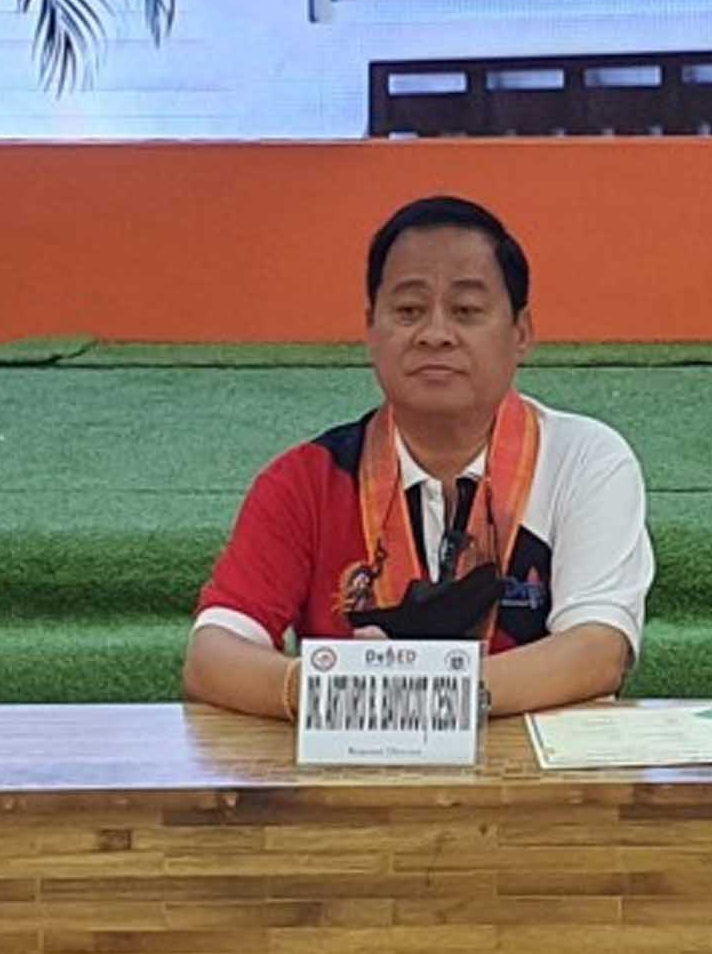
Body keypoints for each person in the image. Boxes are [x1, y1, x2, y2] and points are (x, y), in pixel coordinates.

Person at [182, 196, 654, 720]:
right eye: (408, 311)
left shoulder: (583, 460)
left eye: (466, 311)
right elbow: (212, 656)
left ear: (521, 334)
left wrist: (412, 696)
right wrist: (325, 689)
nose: (435, 334)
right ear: (371, 328)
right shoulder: (307, 479)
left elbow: (597, 651)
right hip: (354, 764)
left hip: (531, 766)